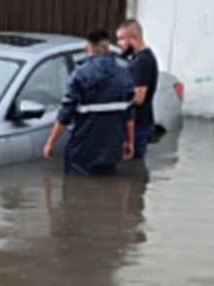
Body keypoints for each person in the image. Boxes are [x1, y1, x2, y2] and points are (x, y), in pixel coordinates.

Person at [43, 29, 135, 176]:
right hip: (112, 151)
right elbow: (129, 114)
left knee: (76, 193)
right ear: (107, 48)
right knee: (109, 194)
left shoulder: (79, 75)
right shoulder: (125, 75)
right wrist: (130, 142)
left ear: (88, 47)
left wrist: (51, 143)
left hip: (82, 151)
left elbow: (65, 115)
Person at [116, 17, 159, 160]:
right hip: (138, 125)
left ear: (134, 38)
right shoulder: (137, 58)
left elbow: (139, 98)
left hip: (138, 127)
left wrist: (113, 94)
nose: (118, 43)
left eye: (121, 39)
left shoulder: (143, 61)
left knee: (131, 173)